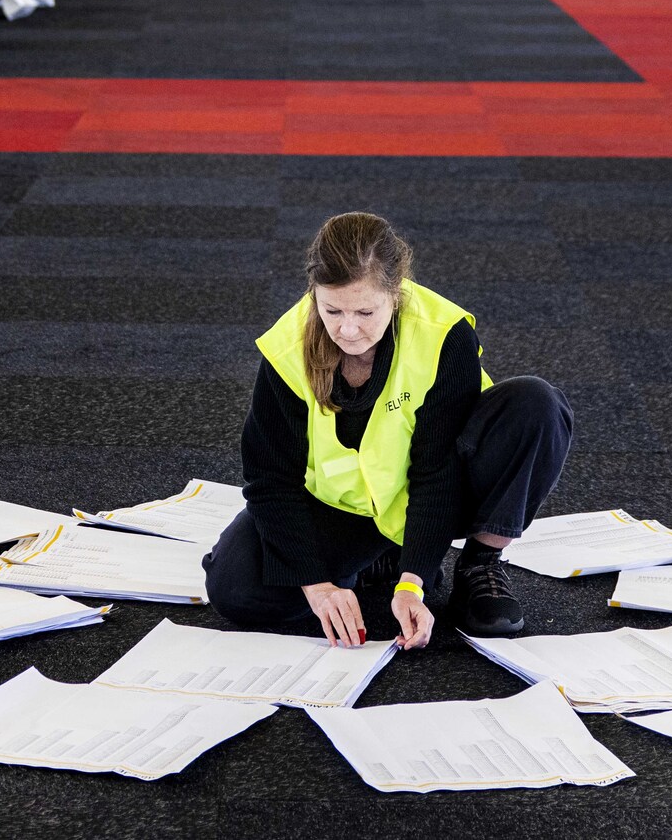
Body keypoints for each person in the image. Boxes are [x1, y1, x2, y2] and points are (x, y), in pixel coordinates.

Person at [204, 212, 572, 647]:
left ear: (395, 295)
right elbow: (269, 479)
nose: (347, 328)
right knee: (234, 587)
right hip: (343, 506)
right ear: (314, 294)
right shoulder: (287, 348)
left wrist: (412, 583)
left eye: (365, 311)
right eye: (332, 309)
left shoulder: (442, 335)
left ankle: (480, 564)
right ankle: (379, 557)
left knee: (536, 404)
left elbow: (437, 472)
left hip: (440, 490)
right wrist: (317, 586)